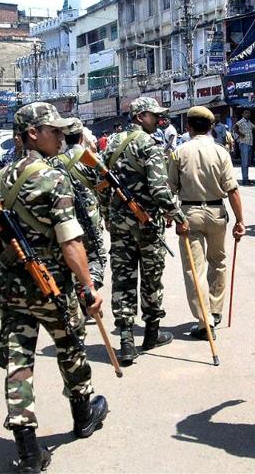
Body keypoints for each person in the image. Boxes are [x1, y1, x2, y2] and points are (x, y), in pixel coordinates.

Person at [0, 102, 107, 472]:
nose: (61, 136)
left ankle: (27, 450)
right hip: (52, 288)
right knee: (70, 348)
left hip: (12, 289)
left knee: (18, 361)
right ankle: (83, 415)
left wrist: (12, 270)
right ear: (31, 134)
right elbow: (71, 242)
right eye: (53, 130)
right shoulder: (54, 178)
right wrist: (88, 287)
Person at [100, 97, 188, 365]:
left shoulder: (111, 143)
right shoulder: (149, 144)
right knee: (151, 277)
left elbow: (100, 184)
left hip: (119, 224)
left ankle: (126, 341)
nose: (159, 120)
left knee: (123, 277)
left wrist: (107, 215)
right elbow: (160, 190)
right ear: (140, 117)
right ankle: (151, 333)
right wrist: (179, 216)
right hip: (147, 224)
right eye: (154, 115)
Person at [167, 106, 246, 340]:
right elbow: (232, 190)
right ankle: (215, 310)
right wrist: (240, 221)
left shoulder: (179, 152)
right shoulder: (221, 152)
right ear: (211, 127)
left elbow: (169, 189)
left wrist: (169, 215)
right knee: (218, 261)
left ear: (188, 127)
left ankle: (205, 322)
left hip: (189, 213)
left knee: (195, 269)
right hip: (216, 213)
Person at [48, 118, 107, 307]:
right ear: (81, 136)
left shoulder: (55, 161)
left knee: (74, 258)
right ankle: (89, 291)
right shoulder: (93, 159)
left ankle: (81, 291)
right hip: (91, 217)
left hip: (68, 218)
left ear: (64, 137)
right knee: (97, 257)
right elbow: (103, 189)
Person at [233, 109, 255, 185]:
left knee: (248, 162)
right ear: (243, 114)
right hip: (244, 144)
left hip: (249, 144)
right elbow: (235, 127)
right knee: (245, 163)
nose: (248, 114)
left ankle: (246, 178)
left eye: (249, 113)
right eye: (246, 113)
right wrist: (240, 134)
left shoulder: (249, 122)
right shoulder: (241, 121)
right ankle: (245, 180)